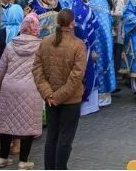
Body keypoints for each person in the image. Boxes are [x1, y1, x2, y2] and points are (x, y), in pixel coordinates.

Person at [33, 9, 87, 170]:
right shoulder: (78, 45)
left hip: (51, 99)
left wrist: (48, 94)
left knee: (52, 137)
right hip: (69, 100)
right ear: (72, 23)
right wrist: (56, 96)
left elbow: (37, 69)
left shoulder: (45, 41)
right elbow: (76, 77)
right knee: (65, 138)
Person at [0, 13, 45, 170]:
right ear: (35, 28)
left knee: (7, 123)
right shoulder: (40, 46)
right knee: (28, 125)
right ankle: (23, 161)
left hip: (9, 88)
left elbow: (1, 69)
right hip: (30, 89)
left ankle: (3, 158)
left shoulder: (11, 45)